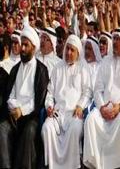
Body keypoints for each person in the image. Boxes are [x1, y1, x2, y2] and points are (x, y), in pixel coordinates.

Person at [83, 27, 120, 169]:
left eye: (118, 39)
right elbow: (98, 89)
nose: (114, 42)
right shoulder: (106, 61)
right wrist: (102, 107)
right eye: (113, 38)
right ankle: (94, 164)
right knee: (90, 120)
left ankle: (117, 165)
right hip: (103, 107)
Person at [0, 26, 49, 169]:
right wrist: (14, 107)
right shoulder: (15, 69)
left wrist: (22, 110)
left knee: (29, 132)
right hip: (14, 115)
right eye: (22, 44)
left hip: (30, 116)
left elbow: (38, 100)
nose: (22, 48)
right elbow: (10, 94)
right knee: (2, 128)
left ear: (34, 47)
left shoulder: (41, 70)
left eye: (26, 45)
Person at [41, 34, 92, 169]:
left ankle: (73, 166)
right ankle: (52, 165)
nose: (69, 53)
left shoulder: (83, 68)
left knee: (75, 130)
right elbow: (50, 92)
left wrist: (81, 106)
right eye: (67, 49)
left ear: (78, 52)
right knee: (46, 128)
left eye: (72, 50)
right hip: (58, 114)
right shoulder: (57, 67)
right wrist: (49, 106)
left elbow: (87, 92)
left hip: (74, 114)